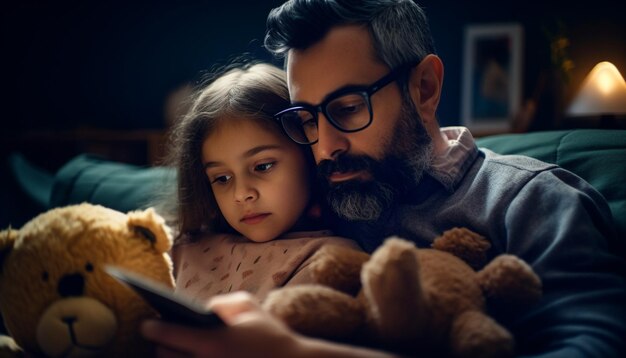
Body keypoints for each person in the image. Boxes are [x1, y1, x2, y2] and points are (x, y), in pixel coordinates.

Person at [142, 1, 626, 357]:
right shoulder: (308, 199)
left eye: (348, 108)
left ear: (425, 88)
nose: (325, 147)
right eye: (307, 119)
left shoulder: (529, 201)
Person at [163, 62, 360, 303]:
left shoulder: (333, 261)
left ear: (308, 155)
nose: (242, 194)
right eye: (222, 178)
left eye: (262, 166)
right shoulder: (181, 247)